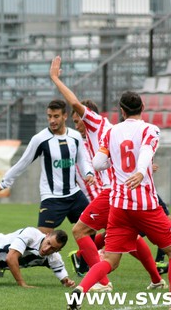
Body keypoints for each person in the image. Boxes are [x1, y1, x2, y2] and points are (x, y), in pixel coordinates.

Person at [50, 56, 166, 291]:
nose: (77, 125)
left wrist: (55, 78)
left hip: (115, 192)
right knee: (131, 238)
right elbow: (136, 151)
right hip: (128, 192)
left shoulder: (96, 123)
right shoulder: (117, 131)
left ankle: (101, 283)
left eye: (77, 120)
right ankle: (156, 279)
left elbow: (73, 102)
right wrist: (141, 169)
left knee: (79, 230)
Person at [67, 91, 171, 310]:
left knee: (110, 261)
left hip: (119, 206)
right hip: (145, 205)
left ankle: (81, 290)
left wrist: (115, 166)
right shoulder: (150, 129)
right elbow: (144, 151)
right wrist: (141, 172)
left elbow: (97, 164)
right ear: (142, 107)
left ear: (122, 111)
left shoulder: (111, 132)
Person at [0, 99, 94, 234]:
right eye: (49, 116)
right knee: (42, 241)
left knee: (90, 229)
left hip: (74, 195)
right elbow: (23, 162)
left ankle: (83, 256)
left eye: (56, 116)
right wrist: (4, 183)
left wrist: (88, 173)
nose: (52, 120)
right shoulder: (40, 139)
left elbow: (81, 160)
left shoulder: (75, 137)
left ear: (65, 116)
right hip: (52, 198)